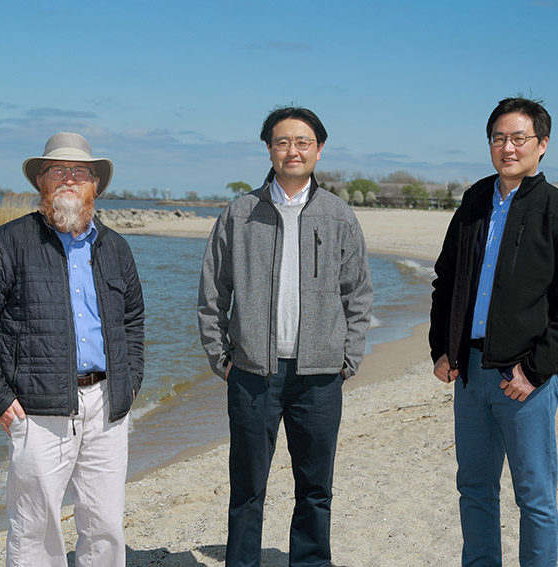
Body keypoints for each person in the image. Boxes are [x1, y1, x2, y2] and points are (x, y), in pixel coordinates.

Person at [198, 106, 374, 567]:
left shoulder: (338, 215)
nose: (292, 150)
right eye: (282, 142)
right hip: (254, 374)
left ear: (318, 149)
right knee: (248, 488)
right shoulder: (240, 213)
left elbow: (358, 293)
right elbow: (212, 292)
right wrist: (223, 358)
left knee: (316, 489)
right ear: (269, 149)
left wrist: (347, 358)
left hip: (319, 378)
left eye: (302, 142)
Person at [429, 97, 558, 566]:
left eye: (519, 138)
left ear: (542, 144)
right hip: (470, 374)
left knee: (535, 496)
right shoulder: (474, 202)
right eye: (499, 138)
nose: (508, 147)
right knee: (475, 490)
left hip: (524, 380)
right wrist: (442, 349)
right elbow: (447, 278)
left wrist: (535, 370)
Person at [0, 132, 144, 567]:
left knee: (105, 525)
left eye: (79, 172)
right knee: (34, 528)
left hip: (108, 405)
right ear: (40, 182)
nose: (68, 179)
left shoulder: (116, 248)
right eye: (57, 171)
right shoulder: (7, 242)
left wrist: (131, 380)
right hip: (37, 412)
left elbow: (133, 320)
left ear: (94, 184)